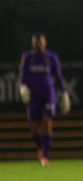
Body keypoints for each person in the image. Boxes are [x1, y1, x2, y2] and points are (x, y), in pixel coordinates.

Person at [18, 33, 70, 166]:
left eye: (40, 43)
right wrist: (22, 87)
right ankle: (41, 147)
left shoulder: (51, 57)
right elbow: (22, 76)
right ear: (32, 44)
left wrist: (64, 93)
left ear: (44, 43)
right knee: (34, 129)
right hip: (34, 97)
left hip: (48, 95)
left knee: (46, 124)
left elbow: (58, 76)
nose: (38, 45)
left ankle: (45, 157)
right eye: (36, 43)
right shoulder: (27, 58)